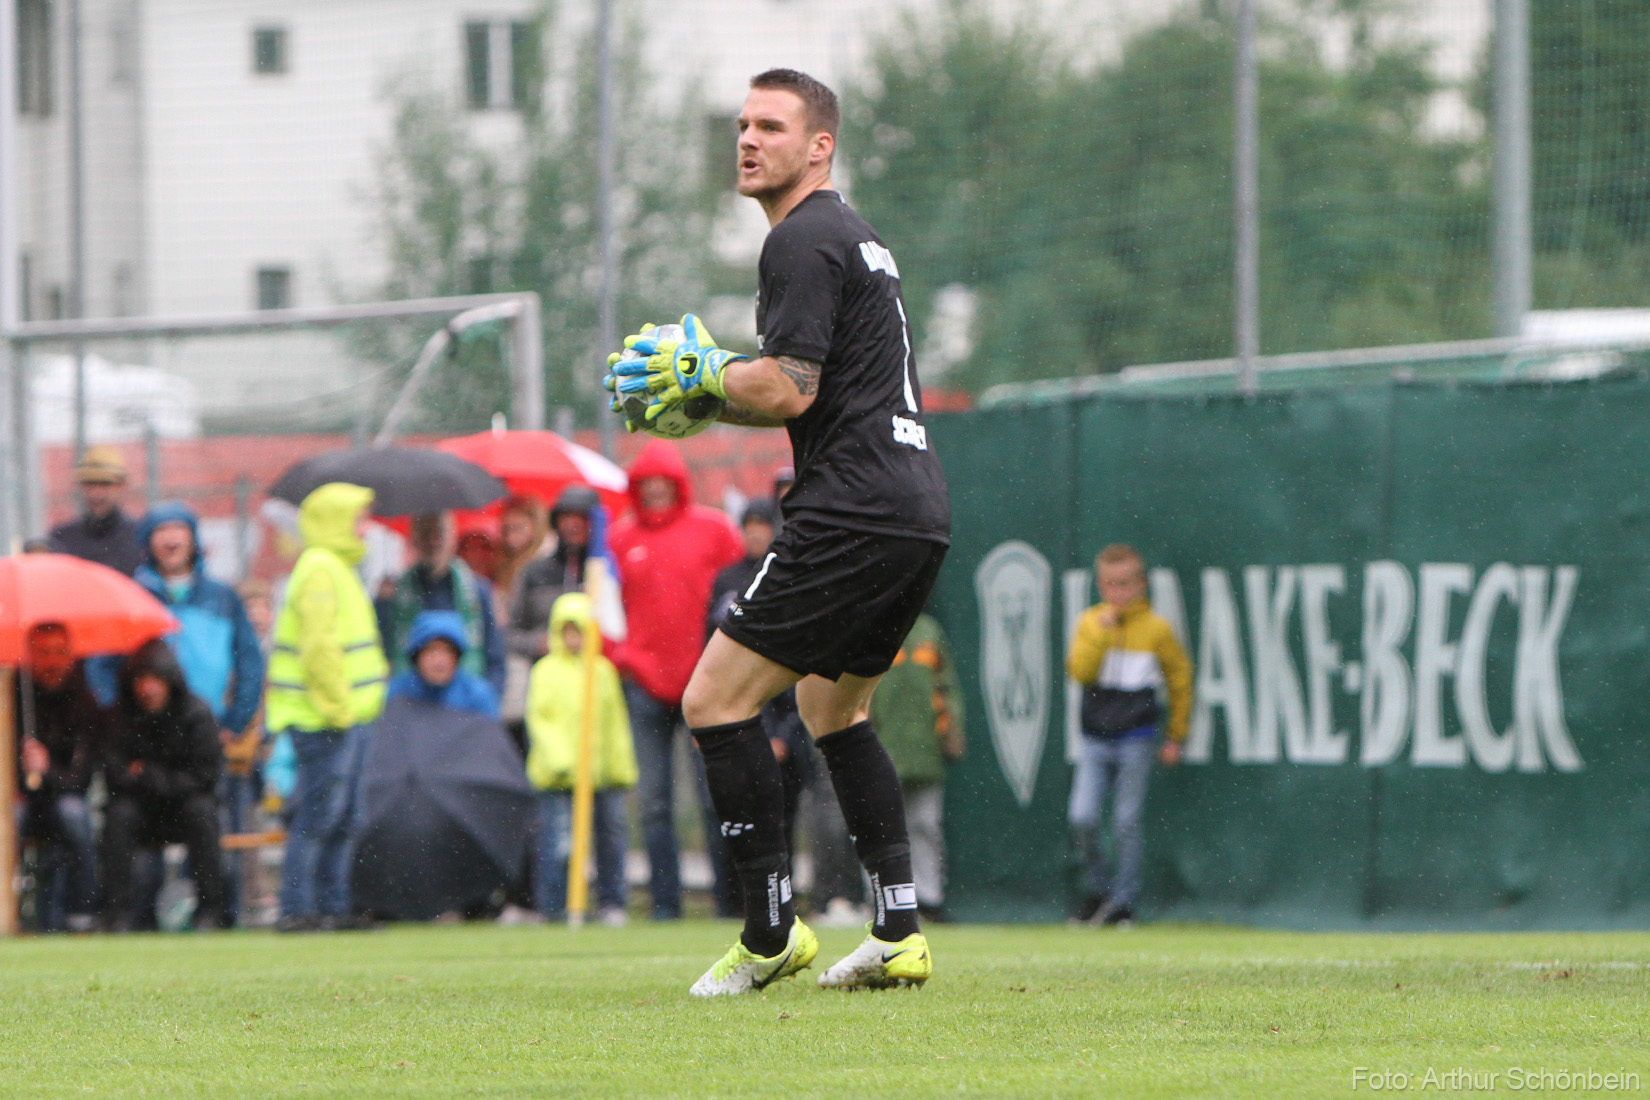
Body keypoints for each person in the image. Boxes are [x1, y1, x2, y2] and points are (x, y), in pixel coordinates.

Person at [605, 69, 951, 995]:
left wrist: (704, 369)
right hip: (916, 511)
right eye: (742, 125)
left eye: (772, 126)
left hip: (852, 510)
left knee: (713, 701)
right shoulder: (857, 238)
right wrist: (713, 389)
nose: (749, 140)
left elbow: (786, 386)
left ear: (820, 146)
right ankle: (898, 929)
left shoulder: (801, 238)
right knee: (830, 709)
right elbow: (809, 393)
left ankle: (768, 934)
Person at [607, 441, 743, 921]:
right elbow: (605, 607)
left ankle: (730, 901)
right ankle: (666, 905)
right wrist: (623, 656)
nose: (657, 490)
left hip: (703, 685)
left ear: (678, 484)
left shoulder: (715, 531)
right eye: (648, 482)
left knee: (714, 798)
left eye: (664, 481)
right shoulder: (620, 540)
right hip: (643, 684)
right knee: (654, 804)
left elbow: (739, 590)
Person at [264, 482, 389, 932]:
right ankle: (300, 909)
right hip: (325, 717)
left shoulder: (333, 567)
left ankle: (331, 907)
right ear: (336, 522)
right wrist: (338, 707)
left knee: (342, 816)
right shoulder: (321, 568)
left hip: (342, 714)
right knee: (321, 816)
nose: (365, 528)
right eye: (357, 519)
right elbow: (319, 647)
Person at [134, 501, 266, 925]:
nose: (170, 540)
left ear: (194, 539)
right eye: (160, 531)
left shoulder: (222, 598)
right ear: (148, 542)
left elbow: (249, 663)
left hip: (205, 739)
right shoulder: (135, 595)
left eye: (179, 530)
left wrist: (234, 721)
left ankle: (216, 911)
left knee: (211, 824)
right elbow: (107, 664)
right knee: (142, 827)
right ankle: (139, 917)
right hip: (148, 737)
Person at [1065, 544, 1193, 927]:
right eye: (1110, 585)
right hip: (1094, 738)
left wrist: (1176, 736)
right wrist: (1103, 635)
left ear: (1141, 584)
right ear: (1101, 585)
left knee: (1125, 821)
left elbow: (1180, 680)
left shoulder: (1157, 629)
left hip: (1136, 737)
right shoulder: (1091, 622)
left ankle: (1124, 904)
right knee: (1083, 816)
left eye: (1125, 584)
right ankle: (1099, 892)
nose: (1118, 593)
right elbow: (1081, 672)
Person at [524, 592, 637, 926]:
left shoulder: (602, 671)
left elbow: (615, 723)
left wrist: (620, 768)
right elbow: (540, 720)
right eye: (567, 630)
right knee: (557, 844)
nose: (573, 638)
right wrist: (563, 761)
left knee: (611, 839)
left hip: (601, 776)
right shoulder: (545, 671)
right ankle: (553, 906)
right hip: (557, 777)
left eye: (580, 631)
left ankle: (611, 902)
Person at [101, 640, 228, 931]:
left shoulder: (196, 714)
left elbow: (204, 777)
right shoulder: (120, 717)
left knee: (203, 813)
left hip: (183, 807)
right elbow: (115, 775)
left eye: (155, 679)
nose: (147, 689)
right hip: (140, 809)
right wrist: (163, 779)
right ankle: (116, 914)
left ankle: (210, 911)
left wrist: (147, 774)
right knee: (118, 815)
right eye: (141, 680)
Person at [871, 612, 965, 922]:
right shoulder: (874, 625)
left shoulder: (929, 629)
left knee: (925, 825)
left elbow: (947, 686)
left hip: (925, 750)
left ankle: (929, 899)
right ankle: (882, 901)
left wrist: (952, 732)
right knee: (878, 828)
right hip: (882, 748)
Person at [14, 623, 104, 932]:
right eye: (43, 653)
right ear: (29, 656)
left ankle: (82, 913)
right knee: (10, 817)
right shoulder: (11, 698)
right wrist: (17, 764)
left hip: (63, 797)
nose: (52, 662)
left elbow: (80, 780)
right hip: (19, 800)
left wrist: (46, 768)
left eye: (60, 653)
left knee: (75, 815)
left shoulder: (85, 704)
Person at [507, 487, 596, 748]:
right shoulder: (535, 573)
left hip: (592, 689)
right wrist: (541, 644)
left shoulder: (605, 573)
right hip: (546, 689)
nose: (572, 524)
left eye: (581, 517)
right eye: (566, 517)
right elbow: (511, 634)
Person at [384, 511, 506, 698]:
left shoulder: (477, 590)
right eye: (425, 534)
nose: (433, 541)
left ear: (452, 538)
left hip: (465, 703)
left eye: (439, 534)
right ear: (414, 540)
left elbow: (494, 653)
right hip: (410, 702)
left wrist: (488, 698)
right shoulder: (396, 593)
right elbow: (385, 651)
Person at [48, 445, 143, 576]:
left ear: (122, 486)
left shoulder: (139, 537)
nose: (97, 494)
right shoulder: (62, 539)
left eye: (105, 484)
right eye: (90, 484)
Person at [387, 610, 501, 719]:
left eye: (448, 651)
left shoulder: (477, 696)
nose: (439, 660)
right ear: (417, 655)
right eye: (431, 650)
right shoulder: (396, 694)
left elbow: (489, 736)